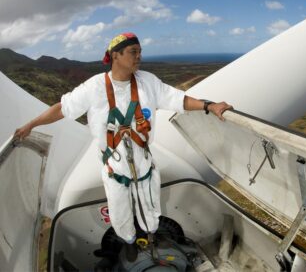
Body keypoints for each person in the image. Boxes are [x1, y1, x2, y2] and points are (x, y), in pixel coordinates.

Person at [14, 32, 232, 262]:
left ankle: (151, 235)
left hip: (145, 165)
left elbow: (178, 99)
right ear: (116, 55)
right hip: (115, 169)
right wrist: (32, 124)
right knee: (120, 213)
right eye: (133, 52)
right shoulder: (95, 87)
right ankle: (128, 242)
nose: (139, 57)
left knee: (150, 207)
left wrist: (209, 105)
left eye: (140, 52)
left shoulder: (148, 82)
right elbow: (62, 108)